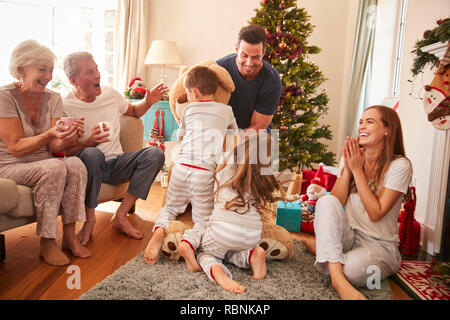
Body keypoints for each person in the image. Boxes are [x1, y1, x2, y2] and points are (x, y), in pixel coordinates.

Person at [302, 105, 413, 300]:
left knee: (353, 271)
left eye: (370, 122)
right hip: (350, 236)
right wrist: (348, 169)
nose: (362, 126)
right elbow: (335, 203)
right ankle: (338, 280)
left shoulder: (400, 165)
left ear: (387, 129)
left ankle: (326, 253)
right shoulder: (353, 158)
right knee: (325, 201)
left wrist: (358, 170)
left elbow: (376, 213)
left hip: (381, 246)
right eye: (361, 122)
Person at [0, 40, 91, 266]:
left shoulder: (53, 98)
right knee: (54, 166)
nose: (48, 75)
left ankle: (69, 237)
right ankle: (48, 241)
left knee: (76, 164)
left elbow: (55, 147)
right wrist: (51, 132)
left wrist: (69, 135)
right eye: (42, 69)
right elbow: (15, 147)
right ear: (21, 69)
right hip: (10, 165)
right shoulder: (4, 97)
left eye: (51, 70)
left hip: (45, 163)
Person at [62, 51, 167, 245]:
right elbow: (62, 151)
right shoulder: (65, 105)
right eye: (90, 72)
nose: (97, 75)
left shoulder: (110, 94)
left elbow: (134, 111)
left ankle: (120, 215)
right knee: (93, 154)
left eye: (97, 69)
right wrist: (88, 143)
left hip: (117, 163)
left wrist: (148, 101)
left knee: (155, 153)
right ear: (73, 79)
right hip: (88, 166)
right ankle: (89, 220)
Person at [144, 66, 238, 269]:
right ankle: (189, 242)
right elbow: (233, 135)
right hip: (204, 174)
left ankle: (160, 230)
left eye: (187, 93)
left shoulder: (189, 109)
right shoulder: (226, 111)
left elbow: (180, 136)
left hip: (180, 168)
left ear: (193, 93)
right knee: (204, 220)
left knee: (169, 209)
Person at [194, 132, 283, 294]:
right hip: (252, 235)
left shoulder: (227, 158)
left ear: (245, 146)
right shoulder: (262, 174)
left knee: (204, 253)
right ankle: (253, 255)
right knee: (231, 253)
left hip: (223, 231)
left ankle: (217, 270)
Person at [217, 24, 282, 132]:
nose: (249, 63)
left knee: (267, 143)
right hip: (224, 133)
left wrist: (231, 144)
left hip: (257, 135)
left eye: (255, 57)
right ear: (237, 49)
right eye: (244, 55)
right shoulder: (219, 69)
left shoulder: (272, 81)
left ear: (263, 53)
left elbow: (256, 128)